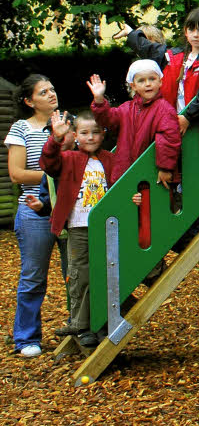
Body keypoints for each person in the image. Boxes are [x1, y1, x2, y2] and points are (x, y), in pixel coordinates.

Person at [123, 7, 199, 181]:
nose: (195, 34)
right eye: (191, 29)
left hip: (198, 127)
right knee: (170, 171)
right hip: (170, 126)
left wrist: (187, 117)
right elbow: (147, 48)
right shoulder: (173, 55)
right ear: (185, 31)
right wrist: (131, 33)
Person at [39, 111, 114, 348]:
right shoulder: (69, 158)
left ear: (103, 134)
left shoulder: (109, 159)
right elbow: (48, 163)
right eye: (84, 133)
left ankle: (102, 323)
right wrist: (55, 139)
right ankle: (82, 326)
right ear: (75, 135)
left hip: (104, 225)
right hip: (79, 225)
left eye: (95, 132)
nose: (90, 137)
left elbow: (119, 185)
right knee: (81, 274)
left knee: (104, 273)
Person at [5, 74, 65, 357]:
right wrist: (56, 174)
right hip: (33, 212)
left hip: (69, 209)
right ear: (29, 101)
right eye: (43, 92)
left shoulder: (67, 121)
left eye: (52, 89)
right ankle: (26, 338)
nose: (51, 94)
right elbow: (17, 173)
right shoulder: (22, 128)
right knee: (33, 277)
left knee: (76, 274)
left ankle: (83, 330)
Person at [89, 63, 181, 187]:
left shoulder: (164, 109)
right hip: (125, 171)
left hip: (151, 173)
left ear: (160, 82)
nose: (148, 84)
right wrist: (99, 99)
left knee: (149, 199)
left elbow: (169, 139)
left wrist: (165, 168)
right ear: (133, 86)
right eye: (141, 80)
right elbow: (107, 120)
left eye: (152, 79)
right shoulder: (126, 108)